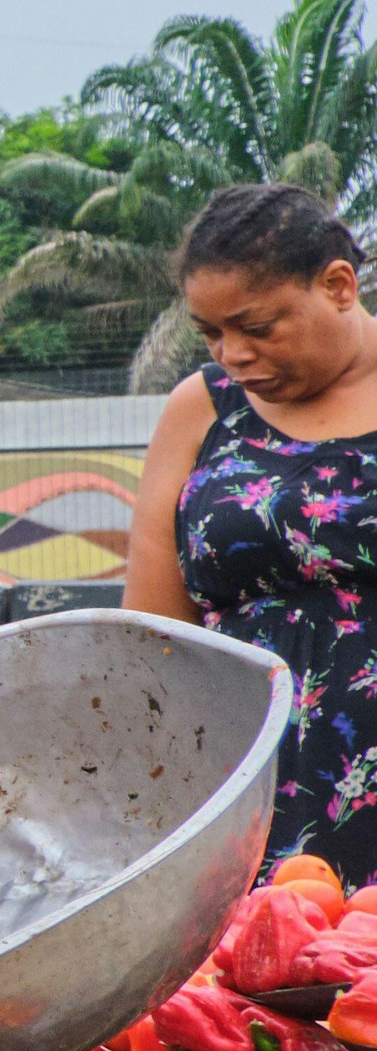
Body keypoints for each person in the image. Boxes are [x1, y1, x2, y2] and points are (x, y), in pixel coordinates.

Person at [125, 184, 377, 886]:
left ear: (337, 285)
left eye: (258, 326)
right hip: (243, 787)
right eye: (211, 332)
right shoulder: (203, 410)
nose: (232, 352)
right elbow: (153, 637)